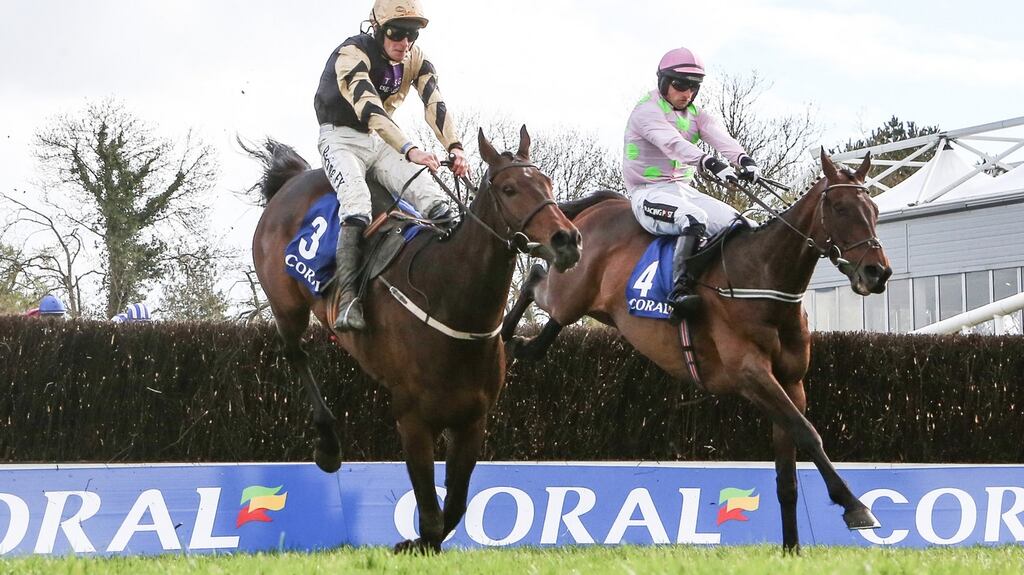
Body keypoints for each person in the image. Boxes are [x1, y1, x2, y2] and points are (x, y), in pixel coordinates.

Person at [313, 0, 469, 332]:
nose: (405, 43)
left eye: (411, 35)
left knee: (433, 198)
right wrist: (410, 149)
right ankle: (350, 300)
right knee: (357, 204)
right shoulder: (351, 54)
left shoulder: (416, 58)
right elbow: (368, 107)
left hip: (378, 140)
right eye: (396, 34)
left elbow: (434, 102)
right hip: (340, 138)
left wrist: (454, 147)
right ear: (378, 29)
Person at [623, 46, 762, 318]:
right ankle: (680, 290)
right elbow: (673, 143)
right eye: (680, 85)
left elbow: (720, 138)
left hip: (683, 191)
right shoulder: (646, 112)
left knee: (746, 226)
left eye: (693, 87)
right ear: (663, 82)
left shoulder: (697, 114)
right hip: (647, 193)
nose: (686, 93)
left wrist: (745, 160)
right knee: (693, 218)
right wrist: (710, 163)